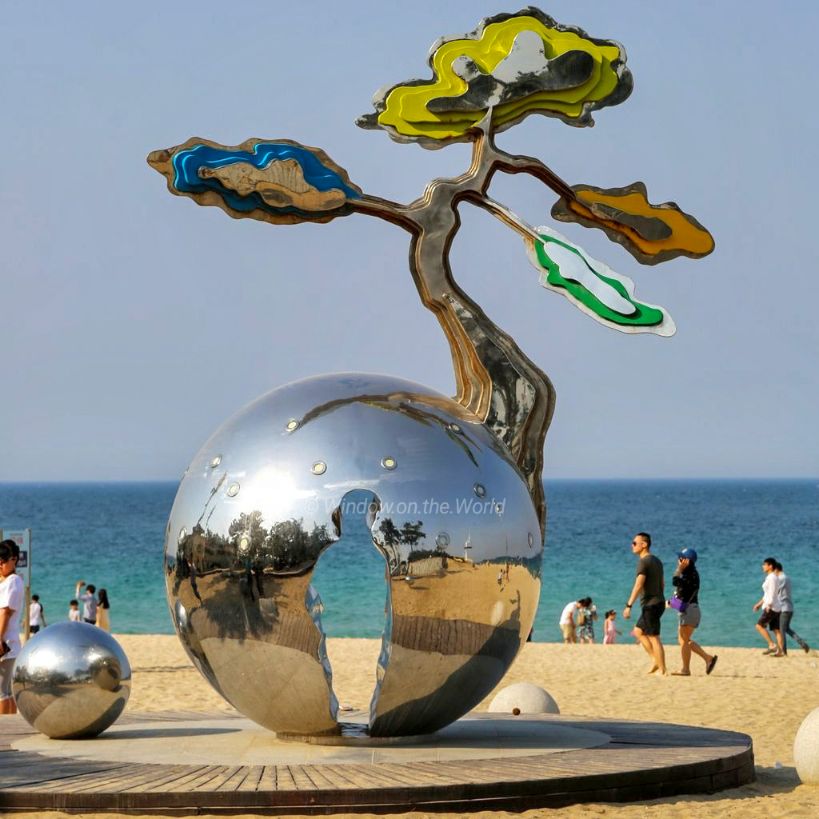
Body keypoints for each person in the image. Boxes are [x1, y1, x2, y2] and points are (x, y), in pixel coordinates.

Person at [623, 532, 667, 675]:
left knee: (654, 637)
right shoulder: (657, 561)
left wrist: (629, 605)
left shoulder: (643, 562)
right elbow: (662, 584)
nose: (632, 545)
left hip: (651, 605)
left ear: (644, 544)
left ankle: (663, 670)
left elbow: (639, 585)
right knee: (638, 631)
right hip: (658, 602)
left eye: (634, 543)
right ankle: (655, 660)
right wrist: (659, 598)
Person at [670, 548, 718, 676]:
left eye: (680, 558)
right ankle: (708, 658)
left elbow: (675, 582)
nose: (678, 560)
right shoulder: (690, 574)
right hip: (691, 610)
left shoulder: (689, 575)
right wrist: (670, 603)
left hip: (689, 611)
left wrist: (678, 570)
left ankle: (686, 669)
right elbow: (683, 594)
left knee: (683, 640)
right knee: (684, 640)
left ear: (686, 561)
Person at [0, 539, 24, 715]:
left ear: (14, 559)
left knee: (1, 692)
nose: (0, 565)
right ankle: (9, 725)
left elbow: (6, 613)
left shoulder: (13, 581)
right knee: (7, 692)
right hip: (9, 643)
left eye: (3, 561)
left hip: (5, 643)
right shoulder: (6, 581)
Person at [774, 561, 809, 656]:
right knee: (786, 629)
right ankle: (803, 644)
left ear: (776, 569)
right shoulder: (787, 578)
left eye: (773, 571)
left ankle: (783, 651)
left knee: (782, 630)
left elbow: (775, 590)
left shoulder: (781, 578)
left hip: (784, 608)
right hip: (789, 608)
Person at [752, 557, 781, 654]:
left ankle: (772, 645)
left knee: (759, 626)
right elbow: (767, 594)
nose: (763, 566)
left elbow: (772, 593)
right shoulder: (773, 577)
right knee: (776, 630)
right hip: (776, 607)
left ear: (770, 566)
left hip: (771, 607)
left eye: (764, 564)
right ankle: (780, 651)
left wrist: (768, 605)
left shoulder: (771, 578)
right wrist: (759, 604)